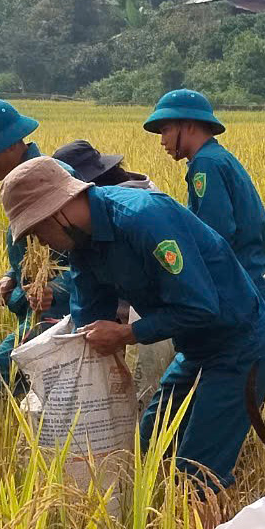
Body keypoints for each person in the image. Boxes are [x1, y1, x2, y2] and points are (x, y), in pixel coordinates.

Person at [0, 156, 265, 491]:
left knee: (197, 472)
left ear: (59, 209)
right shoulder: (83, 246)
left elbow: (203, 306)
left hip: (238, 344)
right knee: (148, 446)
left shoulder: (142, 219)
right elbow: (88, 311)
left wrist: (127, 333)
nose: (40, 242)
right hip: (194, 348)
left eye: (38, 229)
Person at [0, 99, 72, 393]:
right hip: (35, 312)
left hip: (63, 314)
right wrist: (11, 276)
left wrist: (55, 289)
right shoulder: (20, 180)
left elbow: (94, 255)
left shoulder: (54, 179)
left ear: (10, 145)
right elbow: (36, 251)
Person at [52, 139, 173, 404]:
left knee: (151, 393)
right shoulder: (92, 223)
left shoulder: (133, 211)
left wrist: (123, 332)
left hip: (159, 317)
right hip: (144, 317)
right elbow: (88, 287)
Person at [143, 89, 265, 320]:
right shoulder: (218, 157)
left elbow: (215, 234)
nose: (162, 141)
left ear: (189, 126)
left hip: (240, 292)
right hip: (253, 284)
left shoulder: (205, 164)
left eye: (166, 130)